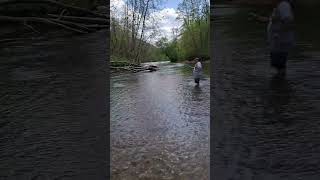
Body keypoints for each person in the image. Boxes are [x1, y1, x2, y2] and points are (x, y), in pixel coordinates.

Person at [250, 0, 295, 76]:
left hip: (280, 42)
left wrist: (278, 34)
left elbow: (288, 20)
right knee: (278, 65)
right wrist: (260, 18)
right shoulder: (278, 6)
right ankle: (280, 83)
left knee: (279, 65)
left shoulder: (283, 5)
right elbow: (276, 20)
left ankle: (279, 83)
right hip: (277, 42)